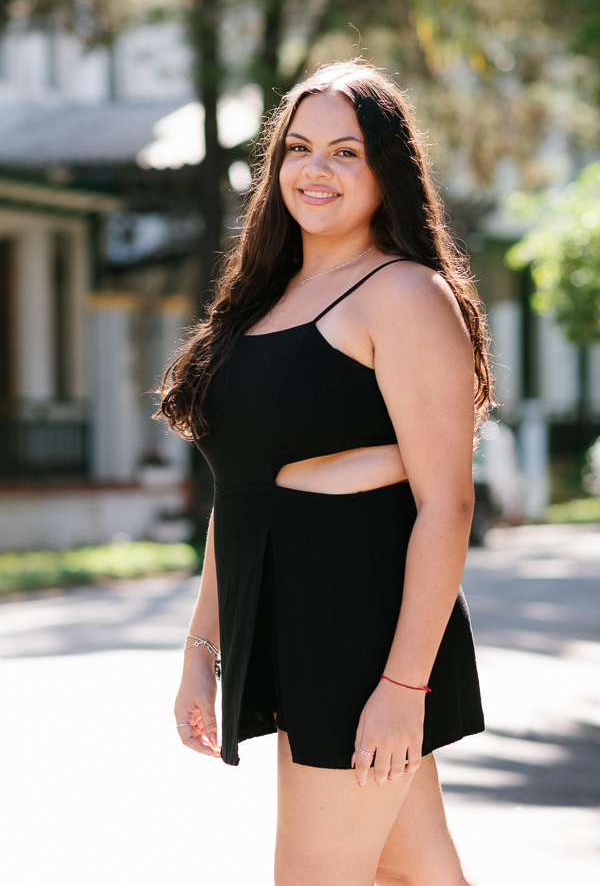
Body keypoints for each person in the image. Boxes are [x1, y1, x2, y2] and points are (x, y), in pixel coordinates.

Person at [156, 59, 493, 886]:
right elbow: (240, 489)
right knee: (413, 871)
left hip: (363, 633)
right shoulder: (262, 302)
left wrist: (402, 685)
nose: (316, 169)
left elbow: (445, 504)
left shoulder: (404, 294)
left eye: (346, 152)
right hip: (290, 622)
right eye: (299, 148)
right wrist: (202, 647)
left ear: (388, 169)